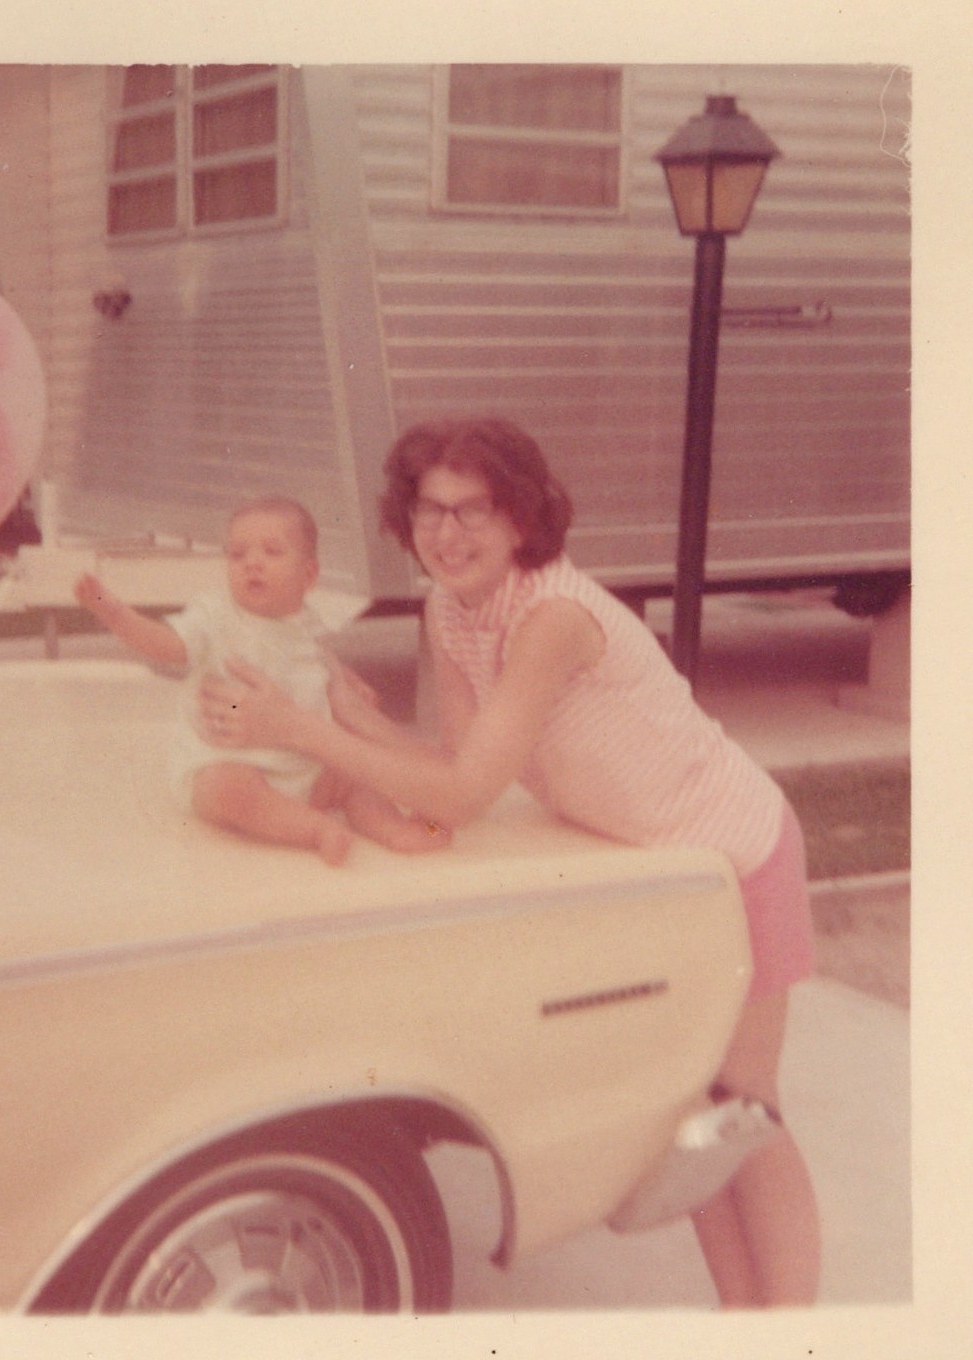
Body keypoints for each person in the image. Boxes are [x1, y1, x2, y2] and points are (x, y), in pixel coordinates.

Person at [198, 418, 821, 1307]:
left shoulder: (551, 619)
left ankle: (793, 1341)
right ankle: (744, 1323)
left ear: (520, 519)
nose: (446, 533)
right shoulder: (451, 609)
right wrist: (354, 720)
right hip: (654, 873)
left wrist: (301, 730)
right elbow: (463, 765)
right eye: (429, 510)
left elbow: (462, 794)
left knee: (744, 1111)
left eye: (473, 511)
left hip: (736, 852)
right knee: (692, 1109)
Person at [74, 495, 448, 866]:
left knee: (357, 777)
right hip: (236, 762)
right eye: (238, 555)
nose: (252, 563)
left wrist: (348, 684)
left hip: (307, 764)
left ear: (308, 576)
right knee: (224, 789)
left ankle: (395, 829)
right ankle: (315, 830)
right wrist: (115, 613)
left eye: (272, 552)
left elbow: (316, 664)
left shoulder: (306, 621)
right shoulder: (216, 616)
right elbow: (168, 646)